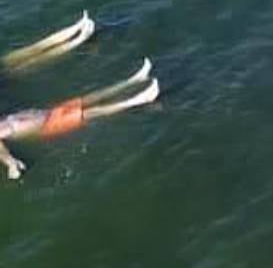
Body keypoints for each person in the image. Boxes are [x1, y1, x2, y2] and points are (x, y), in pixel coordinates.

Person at [0, 59, 159, 181]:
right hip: (50, 125)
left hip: (49, 113)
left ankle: (135, 80)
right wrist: (12, 164)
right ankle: (141, 99)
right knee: (93, 112)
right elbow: (2, 151)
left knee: (91, 98)